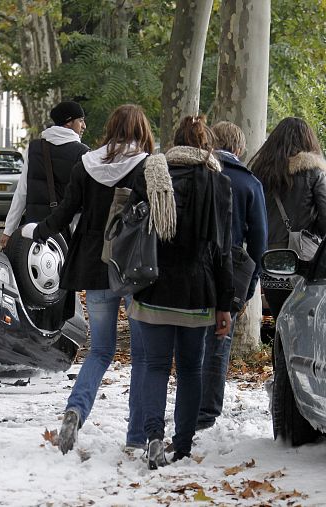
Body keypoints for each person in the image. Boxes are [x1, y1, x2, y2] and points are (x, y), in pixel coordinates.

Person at [22, 104, 156, 453]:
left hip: (95, 267)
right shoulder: (146, 166)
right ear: (142, 130)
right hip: (134, 269)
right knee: (142, 355)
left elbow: (65, 211)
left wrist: (40, 231)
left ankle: (75, 411)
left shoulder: (88, 163)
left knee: (99, 351)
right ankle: (136, 437)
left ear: (110, 127)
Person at [126, 116, 233, 469]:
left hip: (153, 287)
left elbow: (133, 226)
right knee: (190, 370)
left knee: (155, 366)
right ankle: (182, 444)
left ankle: (154, 436)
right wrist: (225, 304)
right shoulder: (218, 182)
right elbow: (223, 250)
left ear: (175, 142)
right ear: (207, 145)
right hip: (197, 293)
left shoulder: (152, 175)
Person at [196, 121, 267, 431]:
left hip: (191, 268)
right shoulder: (249, 183)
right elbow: (260, 242)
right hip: (231, 274)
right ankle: (207, 412)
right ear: (239, 149)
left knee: (189, 340)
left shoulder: (197, 172)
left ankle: (187, 405)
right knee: (218, 342)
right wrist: (248, 287)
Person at [250, 117, 326, 319]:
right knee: (305, 323)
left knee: (280, 322)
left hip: (270, 261)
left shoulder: (260, 174)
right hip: (304, 262)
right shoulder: (314, 173)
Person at [0, 100, 89, 249]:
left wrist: (9, 230)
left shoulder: (35, 148)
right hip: (68, 232)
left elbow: (22, 191)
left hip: (35, 231)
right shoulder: (83, 152)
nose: (84, 126)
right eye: (80, 121)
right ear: (68, 123)